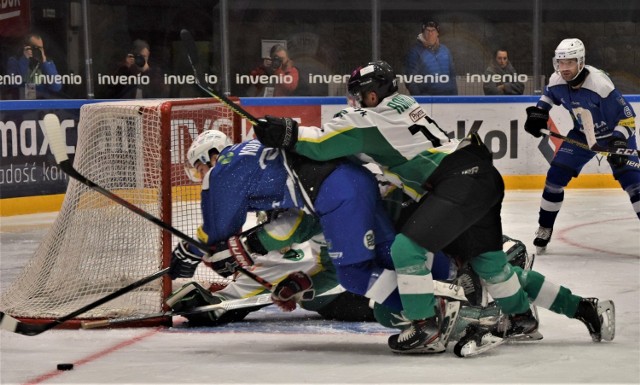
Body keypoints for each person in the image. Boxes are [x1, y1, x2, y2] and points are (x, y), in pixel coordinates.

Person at [253, 60, 616, 354]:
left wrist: (285, 131)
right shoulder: (402, 104)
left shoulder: (372, 118)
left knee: (406, 248)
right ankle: (574, 309)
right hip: (479, 175)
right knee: (490, 265)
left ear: (372, 94)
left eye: (357, 96)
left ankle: (425, 327)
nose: (353, 103)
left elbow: (320, 144)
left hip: (457, 181)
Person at [524, 38, 639, 254]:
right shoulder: (557, 79)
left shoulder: (601, 86)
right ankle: (544, 227)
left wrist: (618, 141)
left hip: (615, 136)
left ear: (581, 62)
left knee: (635, 184)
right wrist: (540, 112)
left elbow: (628, 120)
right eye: (561, 62)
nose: (564, 68)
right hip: (583, 135)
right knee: (554, 179)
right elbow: (549, 95)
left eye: (570, 62)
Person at [404, 20, 458, 96]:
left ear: (437, 33)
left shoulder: (445, 51)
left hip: (447, 99)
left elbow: (452, 77)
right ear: (423, 32)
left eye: (433, 30)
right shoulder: (415, 52)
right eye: (427, 30)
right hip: (427, 101)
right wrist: (421, 100)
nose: (430, 33)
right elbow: (410, 81)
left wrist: (454, 98)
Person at [5, 33, 62, 99]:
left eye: (40, 48)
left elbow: (56, 87)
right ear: (26, 47)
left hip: (42, 104)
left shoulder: (48, 62)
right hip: (21, 104)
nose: (37, 50)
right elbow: (13, 84)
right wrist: (24, 59)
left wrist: (44, 63)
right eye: (35, 48)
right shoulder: (15, 60)